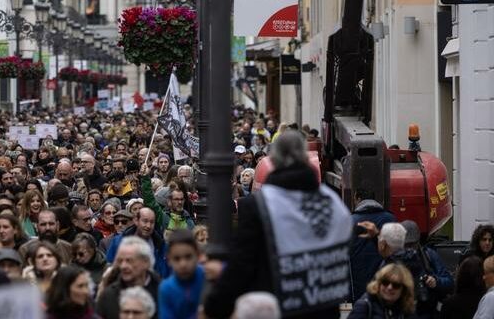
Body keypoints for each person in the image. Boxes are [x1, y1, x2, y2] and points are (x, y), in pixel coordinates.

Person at [203, 130, 352, 319]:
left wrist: (214, 306)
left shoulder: (259, 205)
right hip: (325, 308)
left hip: (278, 308)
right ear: (304, 157)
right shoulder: (333, 203)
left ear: (275, 159)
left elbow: (242, 264)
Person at [350, 188, 397, 301]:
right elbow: (396, 250)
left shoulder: (350, 221)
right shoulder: (390, 218)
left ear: (357, 198)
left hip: (358, 283)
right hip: (386, 281)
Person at [98, 236, 161, 319]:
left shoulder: (163, 292)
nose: (123, 266)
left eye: (129, 260)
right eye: (120, 261)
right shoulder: (108, 296)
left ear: (146, 262)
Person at [157, 229, 204, 319]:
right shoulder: (166, 288)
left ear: (198, 255)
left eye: (188, 257)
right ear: (169, 260)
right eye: (177, 258)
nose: (183, 264)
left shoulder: (206, 276)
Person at [347, 263, 417, 319]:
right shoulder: (365, 306)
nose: (389, 287)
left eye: (396, 285)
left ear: (404, 289)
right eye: (385, 282)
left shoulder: (405, 309)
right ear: (379, 284)